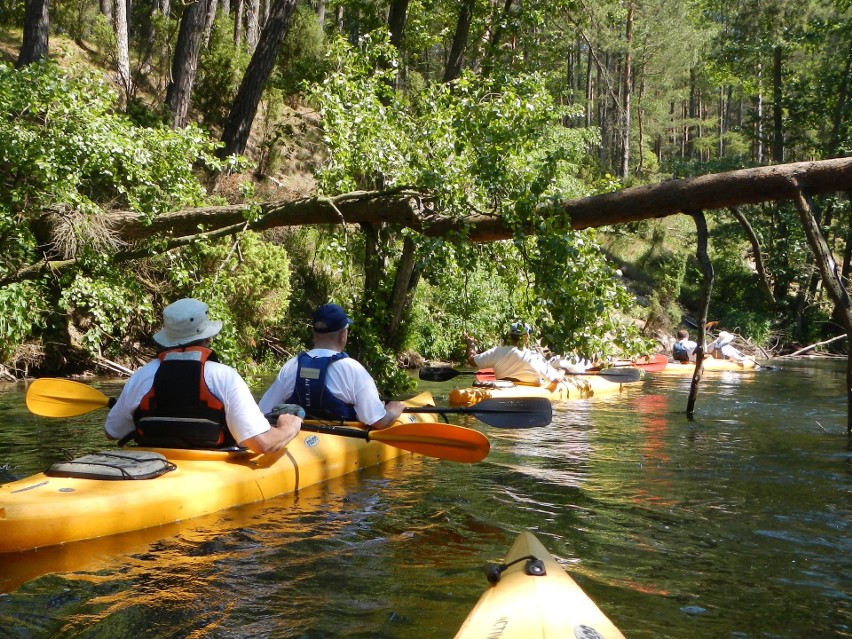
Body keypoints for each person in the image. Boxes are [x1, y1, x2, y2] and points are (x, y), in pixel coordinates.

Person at [105, 298, 302, 454]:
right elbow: (263, 444)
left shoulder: (141, 376)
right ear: (208, 337)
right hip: (210, 467)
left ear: (167, 339)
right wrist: (289, 428)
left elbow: (112, 432)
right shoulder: (224, 377)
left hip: (152, 464)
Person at [258, 303, 405, 429]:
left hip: (299, 437)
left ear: (314, 333)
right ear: (343, 334)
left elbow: (263, 411)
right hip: (342, 440)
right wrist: (391, 412)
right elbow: (378, 422)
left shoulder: (291, 366)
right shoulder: (353, 370)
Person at [465, 322, 565, 386]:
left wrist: (471, 343)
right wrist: (561, 371)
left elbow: (471, 360)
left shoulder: (497, 351)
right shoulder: (534, 356)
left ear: (510, 336)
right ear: (526, 337)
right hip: (529, 395)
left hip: (503, 391)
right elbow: (556, 380)